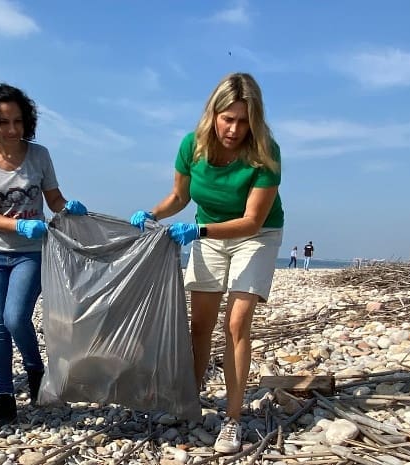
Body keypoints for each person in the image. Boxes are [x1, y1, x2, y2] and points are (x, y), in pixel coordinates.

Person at [130, 73, 283, 453]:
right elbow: (179, 197)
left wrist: (199, 232)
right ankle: (189, 399)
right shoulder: (192, 145)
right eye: (227, 119)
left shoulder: (266, 152)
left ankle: (232, 419)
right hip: (209, 234)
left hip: (255, 236)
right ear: (213, 114)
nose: (234, 129)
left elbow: (252, 221)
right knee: (199, 325)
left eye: (243, 121)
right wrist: (152, 213)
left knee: (236, 323)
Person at [0, 83, 87, 425]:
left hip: (31, 254)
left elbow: (54, 200)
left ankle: (35, 369)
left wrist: (68, 208)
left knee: (15, 317)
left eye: (18, 121)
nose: (12, 129)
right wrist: (19, 225)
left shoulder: (39, 155)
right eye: (4, 122)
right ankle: (5, 397)